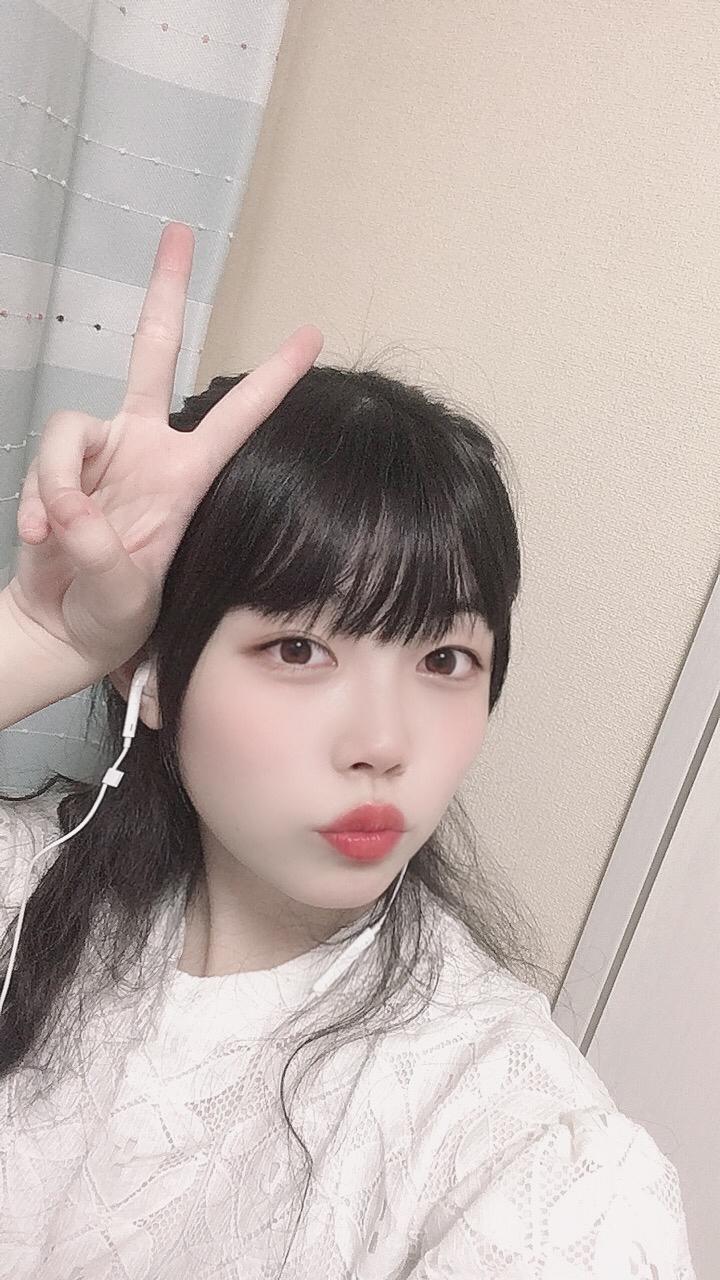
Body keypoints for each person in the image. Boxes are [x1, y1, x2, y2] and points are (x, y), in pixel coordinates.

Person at [0, 223, 696, 1278]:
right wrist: (33, 640)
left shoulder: (517, 1149)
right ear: (154, 667)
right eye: (299, 647)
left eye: (446, 659)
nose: (383, 743)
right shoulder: (24, 890)